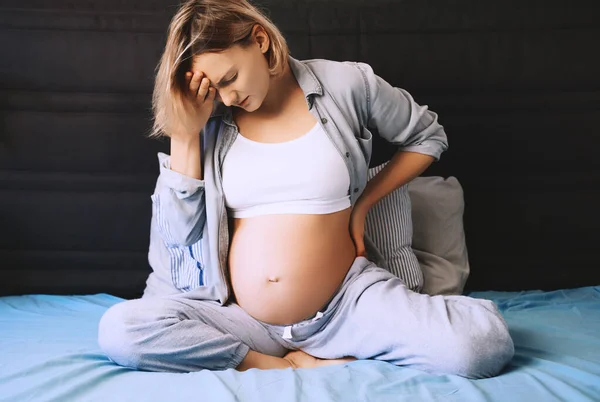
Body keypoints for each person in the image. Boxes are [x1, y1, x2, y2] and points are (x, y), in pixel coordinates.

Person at [98, 0, 514, 378]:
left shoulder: (346, 83)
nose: (228, 96)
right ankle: (278, 364)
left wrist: (365, 202)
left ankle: (408, 324)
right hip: (243, 319)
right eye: (215, 88)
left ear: (259, 40)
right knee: (121, 329)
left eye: (231, 78)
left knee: (481, 348)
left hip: (345, 306)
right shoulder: (208, 118)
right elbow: (180, 237)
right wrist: (185, 136)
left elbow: (428, 136)